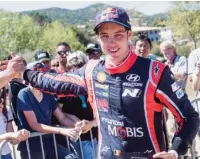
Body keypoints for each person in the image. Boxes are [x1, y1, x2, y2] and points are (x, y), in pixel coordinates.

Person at [20, 7, 199, 159]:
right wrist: (23, 73)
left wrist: (175, 150)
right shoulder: (92, 71)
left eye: (118, 35)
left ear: (129, 35)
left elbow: (189, 117)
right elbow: (54, 82)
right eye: (104, 36)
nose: (111, 42)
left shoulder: (155, 71)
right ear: (98, 39)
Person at [16, 62, 81, 159]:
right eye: (36, 75)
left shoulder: (47, 94)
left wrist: (76, 125)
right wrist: (61, 130)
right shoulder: (24, 94)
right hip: (32, 148)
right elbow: (34, 125)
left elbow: (62, 117)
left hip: (50, 144)